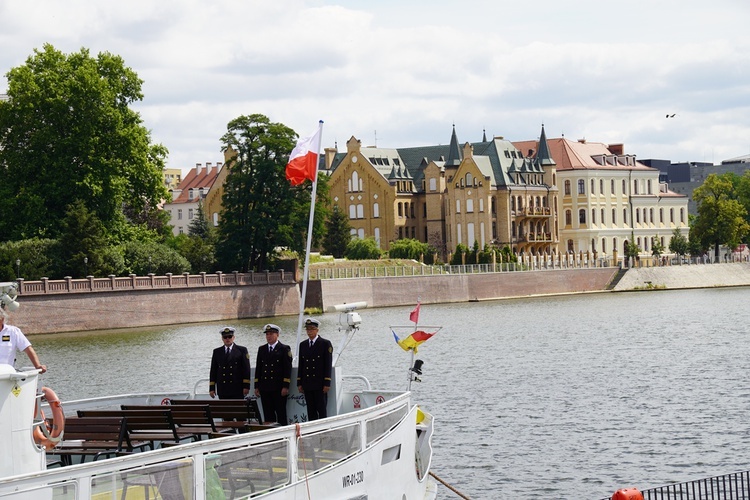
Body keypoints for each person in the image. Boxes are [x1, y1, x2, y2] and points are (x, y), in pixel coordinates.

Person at [254, 323, 292, 425]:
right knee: (268, 415)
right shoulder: (262, 349)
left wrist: (285, 386)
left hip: (278, 388)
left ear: (277, 335)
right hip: (265, 388)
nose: (268, 336)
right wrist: (257, 386)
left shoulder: (284, 349)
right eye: (267, 334)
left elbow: (287, 369)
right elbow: (259, 369)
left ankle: (284, 435)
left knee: (281, 414)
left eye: (271, 334)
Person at [297, 317, 332, 421]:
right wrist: (299, 382)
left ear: (317, 330)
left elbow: (327, 364)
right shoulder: (303, 345)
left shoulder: (325, 344)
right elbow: (301, 365)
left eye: (312, 329)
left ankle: (323, 432)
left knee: (321, 411)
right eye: (307, 329)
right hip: (307, 384)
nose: (309, 331)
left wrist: (327, 383)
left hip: (320, 384)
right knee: (310, 411)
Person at [209, 327, 251, 399]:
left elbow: (246, 369)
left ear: (233, 337)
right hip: (223, 388)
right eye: (225, 337)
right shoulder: (217, 352)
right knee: (224, 409)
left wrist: (246, 386)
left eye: (229, 336)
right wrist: (212, 388)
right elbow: (213, 371)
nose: (227, 339)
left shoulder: (242, 350)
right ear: (222, 338)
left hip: (237, 388)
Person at [0, 308, 46, 373]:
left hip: (7, 374)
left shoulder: (13, 331)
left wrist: (37, 365)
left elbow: (28, 348)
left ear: (2, 319)